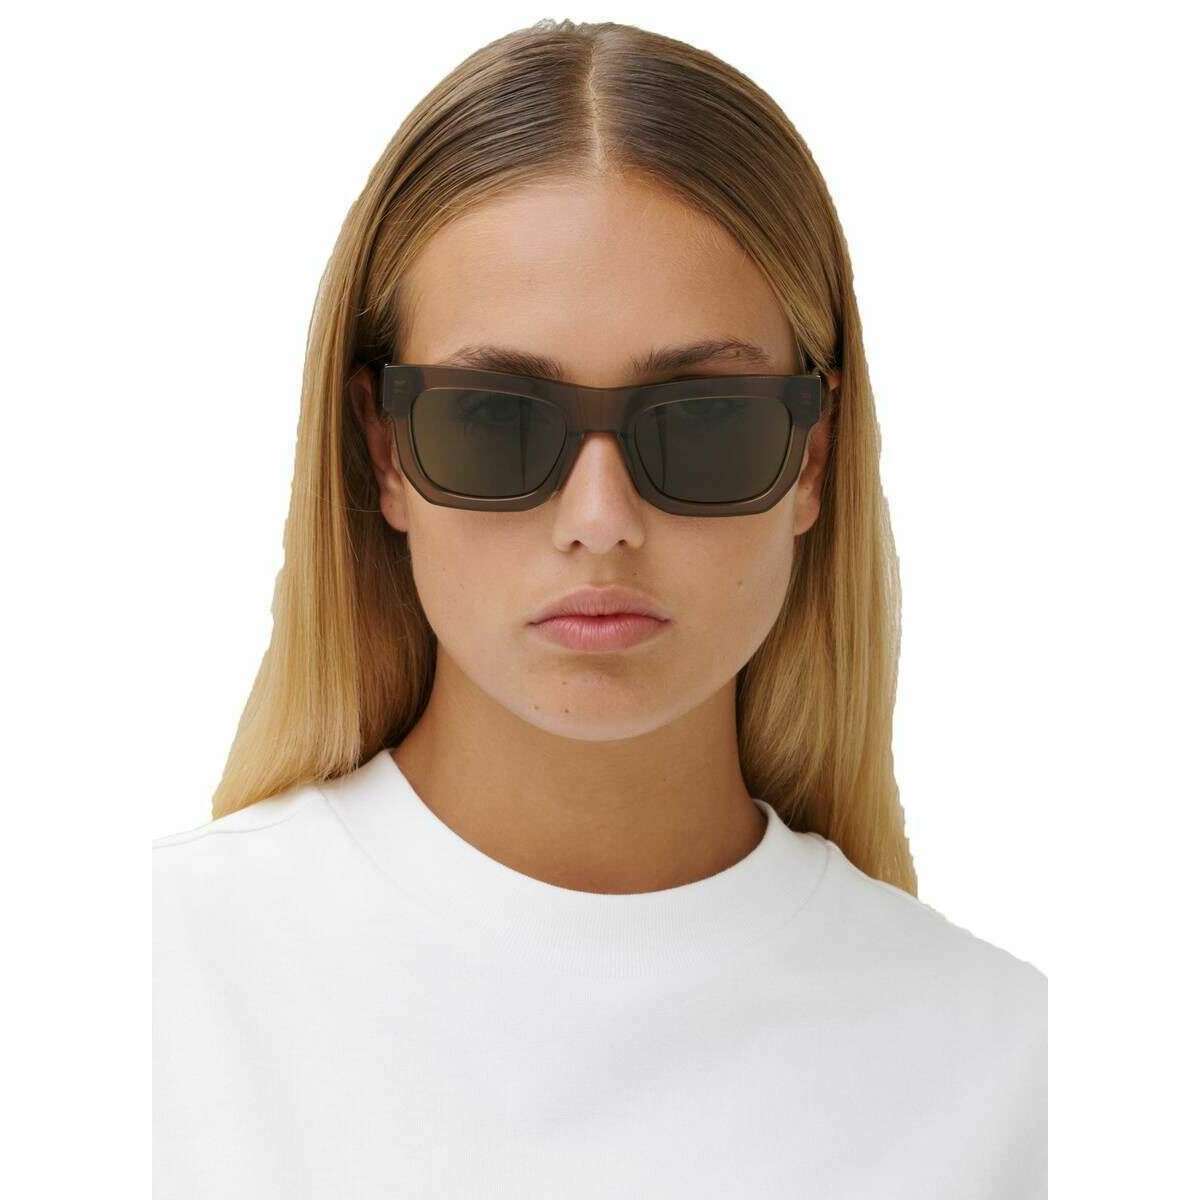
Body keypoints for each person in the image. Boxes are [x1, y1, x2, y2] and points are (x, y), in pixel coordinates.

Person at [153, 18, 1047, 1199]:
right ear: (383, 448)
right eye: (493, 418)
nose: (600, 519)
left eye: (705, 420)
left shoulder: (1011, 1067)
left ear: (814, 456)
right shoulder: (146, 990)